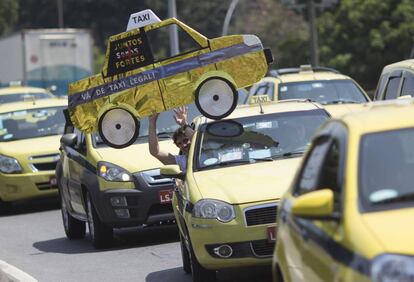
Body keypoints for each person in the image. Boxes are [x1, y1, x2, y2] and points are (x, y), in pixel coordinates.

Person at [148, 106, 194, 171]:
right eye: (179, 144)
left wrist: (184, 124)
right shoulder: (182, 161)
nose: (184, 145)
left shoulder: (208, 150)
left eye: (185, 140)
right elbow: (155, 152)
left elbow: (195, 138)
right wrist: (152, 122)